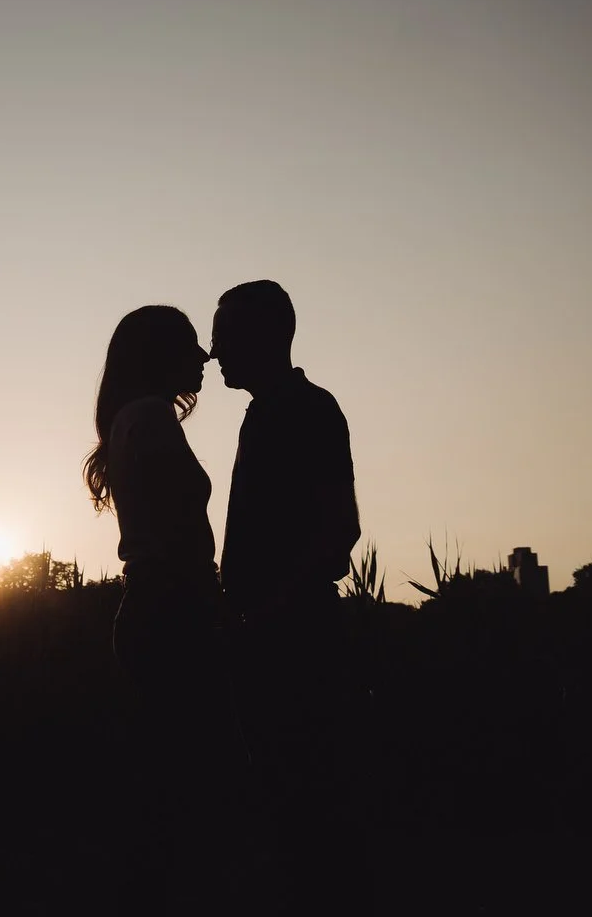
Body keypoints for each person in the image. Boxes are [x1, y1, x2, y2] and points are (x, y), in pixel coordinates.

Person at [82, 304, 233, 892]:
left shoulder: (130, 418)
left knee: (165, 767)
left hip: (152, 604)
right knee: (185, 774)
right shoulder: (149, 419)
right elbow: (176, 533)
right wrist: (212, 602)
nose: (204, 357)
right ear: (158, 354)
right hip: (174, 606)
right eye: (190, 346)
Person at [210, 280, 360, 829]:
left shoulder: (308, 409)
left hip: (294, 638)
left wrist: (266, 616)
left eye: (224, 335)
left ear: (271, 334)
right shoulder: (266, 411)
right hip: (267, 633)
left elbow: (339, 530)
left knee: (306, 802)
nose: (213, 350)